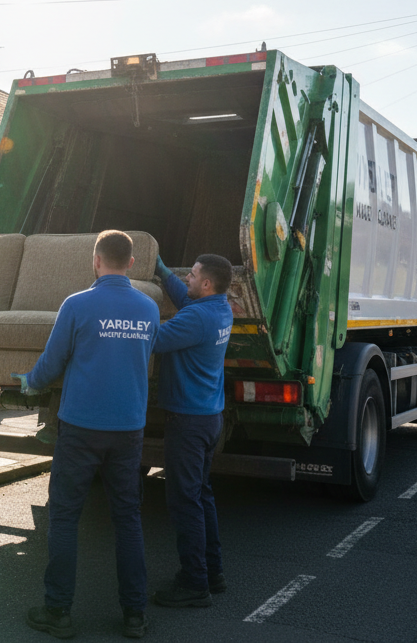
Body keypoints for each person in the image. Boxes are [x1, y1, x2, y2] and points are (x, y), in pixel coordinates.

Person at [10, 230, 159, 639]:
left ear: (96, 261)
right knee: (127, 519)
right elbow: (144, 358)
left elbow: (52, 361)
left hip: (80, 427)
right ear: (130, 263)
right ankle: (134, 614)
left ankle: (57, 611)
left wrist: (29, 382)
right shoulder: (148, 309)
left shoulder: (77, 304)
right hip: (128, 427)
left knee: (64, 517)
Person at [149, 253, 234, 609]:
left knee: (184, 501)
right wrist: (161, 268)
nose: (187, 277)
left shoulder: (196, 318)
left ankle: (194, 582)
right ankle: (212, 572)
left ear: (207, 284)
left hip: (187, 421)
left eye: (193, 274)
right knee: (201, 495)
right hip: (209, 417)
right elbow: (184, 299)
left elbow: (151, 338)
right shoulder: (220, 308)